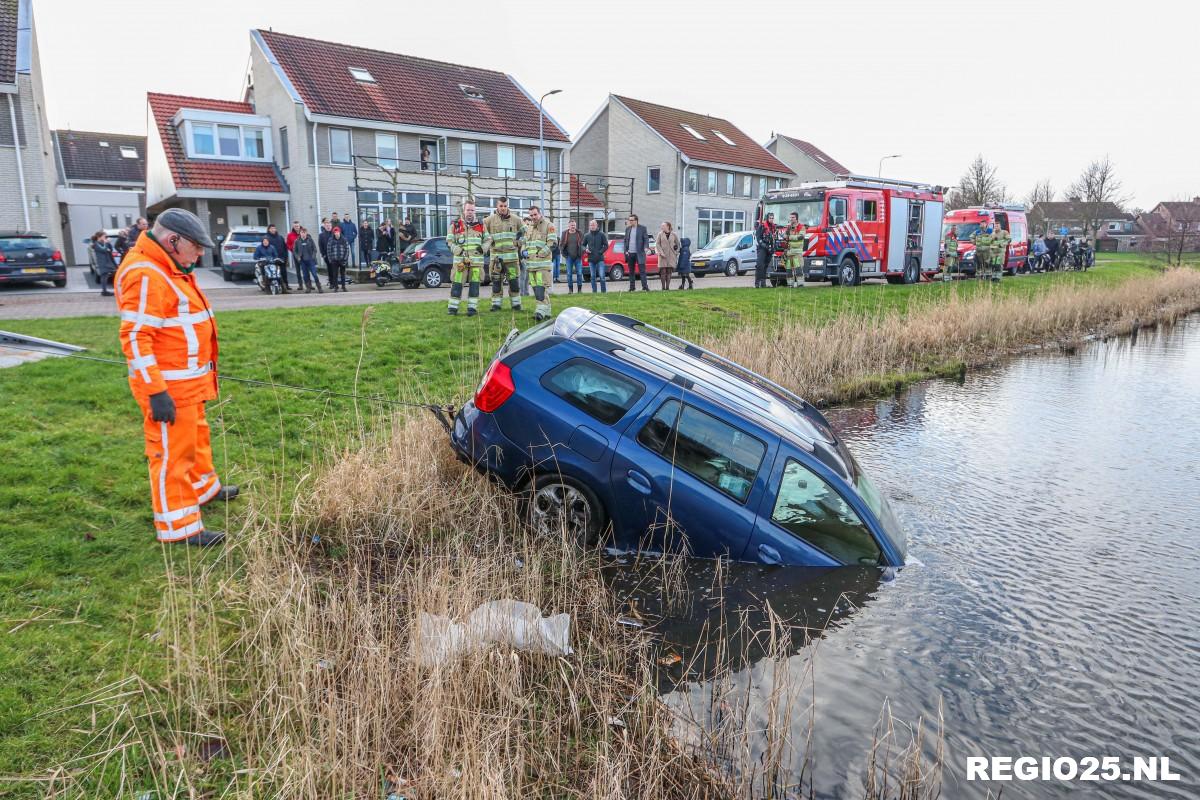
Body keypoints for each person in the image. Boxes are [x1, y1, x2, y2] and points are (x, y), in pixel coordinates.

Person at [115, 208, 237, 547]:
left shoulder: (171, 268)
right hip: (168, 388)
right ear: (173, 240)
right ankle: (180, 527)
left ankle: (204, 489)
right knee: (171, 454)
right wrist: (156, 392)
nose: (200, 254)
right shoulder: (146, 274)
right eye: (196, 247)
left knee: (196, 439)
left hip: (189, 383)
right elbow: (137, 337)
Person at [483, 196, 523, 311]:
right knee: (496, 284)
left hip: (512, 260)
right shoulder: (489, 220)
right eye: (501, 206)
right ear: (497, 206)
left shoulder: (516, 220)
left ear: (508, 206)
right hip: (496, 260)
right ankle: (496, 305)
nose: (503, 208)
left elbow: (528, 232)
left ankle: (516, 305)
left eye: (505, 206)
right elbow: (481, 234)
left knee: (514, 283)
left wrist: (520, 242)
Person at [447, 200, 486, 316]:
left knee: (474, 287)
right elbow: (449, 241)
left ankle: (472, 309)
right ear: (464, 210)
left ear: (475, 211)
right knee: (457, 285)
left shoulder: (481, 225)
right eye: (468, 210)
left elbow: (488, 240)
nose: (470, 212)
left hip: (476, 263)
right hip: (460, 263)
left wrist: (482, 248)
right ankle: (452, 309)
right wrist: (457, 250)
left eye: (472, 210)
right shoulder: (455, 225)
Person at [523, 205, 557, 321]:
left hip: (542, 264)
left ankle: (540, 311)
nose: (533, 217)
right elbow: (524, 241)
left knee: (541, 289)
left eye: (535, 214)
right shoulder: (529, 227)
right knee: (536, 289)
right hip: (531, 265)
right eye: (531, 215)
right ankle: (547, 311)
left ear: (540, 213)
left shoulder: (549, 225)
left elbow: (552, 243)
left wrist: (540, 254)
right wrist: (523, 250)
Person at [623, 214, 650, 291]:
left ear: (636, 220)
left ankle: (645, 287)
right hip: (630, 254)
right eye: (629, 220)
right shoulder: (628, 229)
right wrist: (625, 251)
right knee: (631, 272)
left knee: (642, 271)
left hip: (640, 253)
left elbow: (646, 239)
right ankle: (632, 288)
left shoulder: (642, 228)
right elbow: (625, 241)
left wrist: (645, 247)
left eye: (631, 220)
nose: (630, 221)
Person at [559, 219, 585, 293]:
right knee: (569, 274)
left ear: (575, 226)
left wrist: (582, 251)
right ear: (568, 226)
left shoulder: (579, 233)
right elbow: (561, 245)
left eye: (574, 225)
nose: (572, 227)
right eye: (571, 225)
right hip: (569, 257)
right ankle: (570, 290)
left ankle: (579, 290)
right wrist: (564, 254)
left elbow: (583, 244)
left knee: (579, 273)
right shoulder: (565, 233)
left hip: (578, 257)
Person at [782, 211, 807, 288]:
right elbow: (784, 235)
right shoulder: (789, 227)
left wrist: (790, 237)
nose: (791, 219)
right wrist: (785, 236)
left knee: (798, 269)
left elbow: (801, 237)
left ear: (796, 218)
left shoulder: (801, 227)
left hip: (797, 252)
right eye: (790, 217)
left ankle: (800, 284)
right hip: (789, 252)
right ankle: (790, 284)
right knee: (789, 269)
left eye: (793, 217)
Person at [294, 227, 321, 293]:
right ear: (300, 233)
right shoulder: (297, 241)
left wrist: (313, 256)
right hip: (303, 261)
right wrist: (298, 257)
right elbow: (295, 251)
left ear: (306, 233)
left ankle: (319, 287)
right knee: (305, 275)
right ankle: (308, 288)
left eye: (304, 232)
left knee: (314, 274)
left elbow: (315, 249)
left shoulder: (310, 240)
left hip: (310, 260)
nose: (303, 234)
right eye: (302, 232)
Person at [655, 221, 681, 291]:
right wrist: (661, 252)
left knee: (669, 272)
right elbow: (657, 244)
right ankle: (663, 287)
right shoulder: (660, 234)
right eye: (661, 226)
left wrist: (676, 252)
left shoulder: (674, 234)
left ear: (668, 226)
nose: (662, 227)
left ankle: (667, 287)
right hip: (662, 256)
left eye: (663, 226)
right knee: (663, 272)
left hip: (671, 255)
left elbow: (678, 244)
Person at [584, 219, 608, 293]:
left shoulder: (602, 234)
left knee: (602, 276)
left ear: (597, 225)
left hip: (600, 259)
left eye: (594, 225)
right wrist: (586, 249)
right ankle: (594, 292)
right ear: (589, 226)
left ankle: (603, 292)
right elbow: (582, 245)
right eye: (591, 225)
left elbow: (606, 245)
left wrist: (600, 252)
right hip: (591, 259)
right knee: (593, 277)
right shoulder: (587, 235)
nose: (592, 226)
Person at [264, 224, 290, 291]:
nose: (273, 230)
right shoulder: (266, 238)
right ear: (269, 229)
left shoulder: (280, 237)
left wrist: (286, 258)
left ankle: (286, 286)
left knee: (283, 272)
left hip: (281, 259)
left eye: (274, 228)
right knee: (272, 274)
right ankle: (269, 287)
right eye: (271, 228)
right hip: (271, 260)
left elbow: (285, 248)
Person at [92, 231, 118, 296]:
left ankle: (105, 290)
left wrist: (107, 244)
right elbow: (103, 250)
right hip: (103, 262)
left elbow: (110, 249)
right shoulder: (96, 244)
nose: (105, 238)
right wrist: (106, 243)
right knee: (104, 276)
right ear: (99, 237)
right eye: (104, 236)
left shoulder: (103, 243)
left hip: (108, 261)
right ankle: (104, 291)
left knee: (111, 274)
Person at [755, 212, 777, 288]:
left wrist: (773, 248)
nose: (771, 219)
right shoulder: (762, 226)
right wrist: (763, 245)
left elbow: (774, 238)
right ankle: (757, 283)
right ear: (767, 218)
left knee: (765, 266)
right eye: (770, 218)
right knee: (760, 265)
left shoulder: (774, 227)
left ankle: (763, 283)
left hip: (769, 249)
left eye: (772, 218)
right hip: (762, 248)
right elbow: (758, 237)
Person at [326, 225, 351, 292]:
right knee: (335, 275)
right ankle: (336, 287)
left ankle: (343, 287)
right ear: (334, 233)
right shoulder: (330, 240)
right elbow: (328, 250)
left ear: (339, 232)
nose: (336, 233)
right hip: (334, 260)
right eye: (335, 232)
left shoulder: (344, 239)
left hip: (342, 260)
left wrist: (345, 259)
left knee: (343, 274)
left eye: (337, 232)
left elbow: (347, 250)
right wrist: (330, 259)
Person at [286, 220, 302, 287]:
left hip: (304, 254)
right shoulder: (290, 235)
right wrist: (292, 249)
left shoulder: (303, 232)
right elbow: (288, 244)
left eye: (297, 226)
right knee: (298, 270)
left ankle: (308, 284)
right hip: (295, 254)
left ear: (299, 226)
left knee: (306, 269)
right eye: (295, 226)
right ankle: (300, 284)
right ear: (293, 227)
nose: (297, 227)